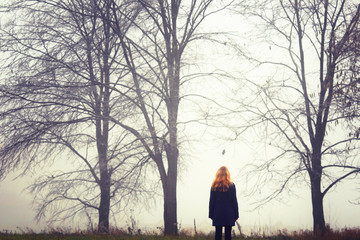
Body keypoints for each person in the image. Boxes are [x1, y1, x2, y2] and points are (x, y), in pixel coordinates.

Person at [209, 166, 239, 240]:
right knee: (228, 235)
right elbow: (234, 201)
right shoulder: (232, 186)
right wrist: (236, 214)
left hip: (217, 213)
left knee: (218, 234)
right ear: (227, 174)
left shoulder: (214, 186)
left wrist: (211, 214)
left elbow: (211, 202)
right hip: (229, 213)